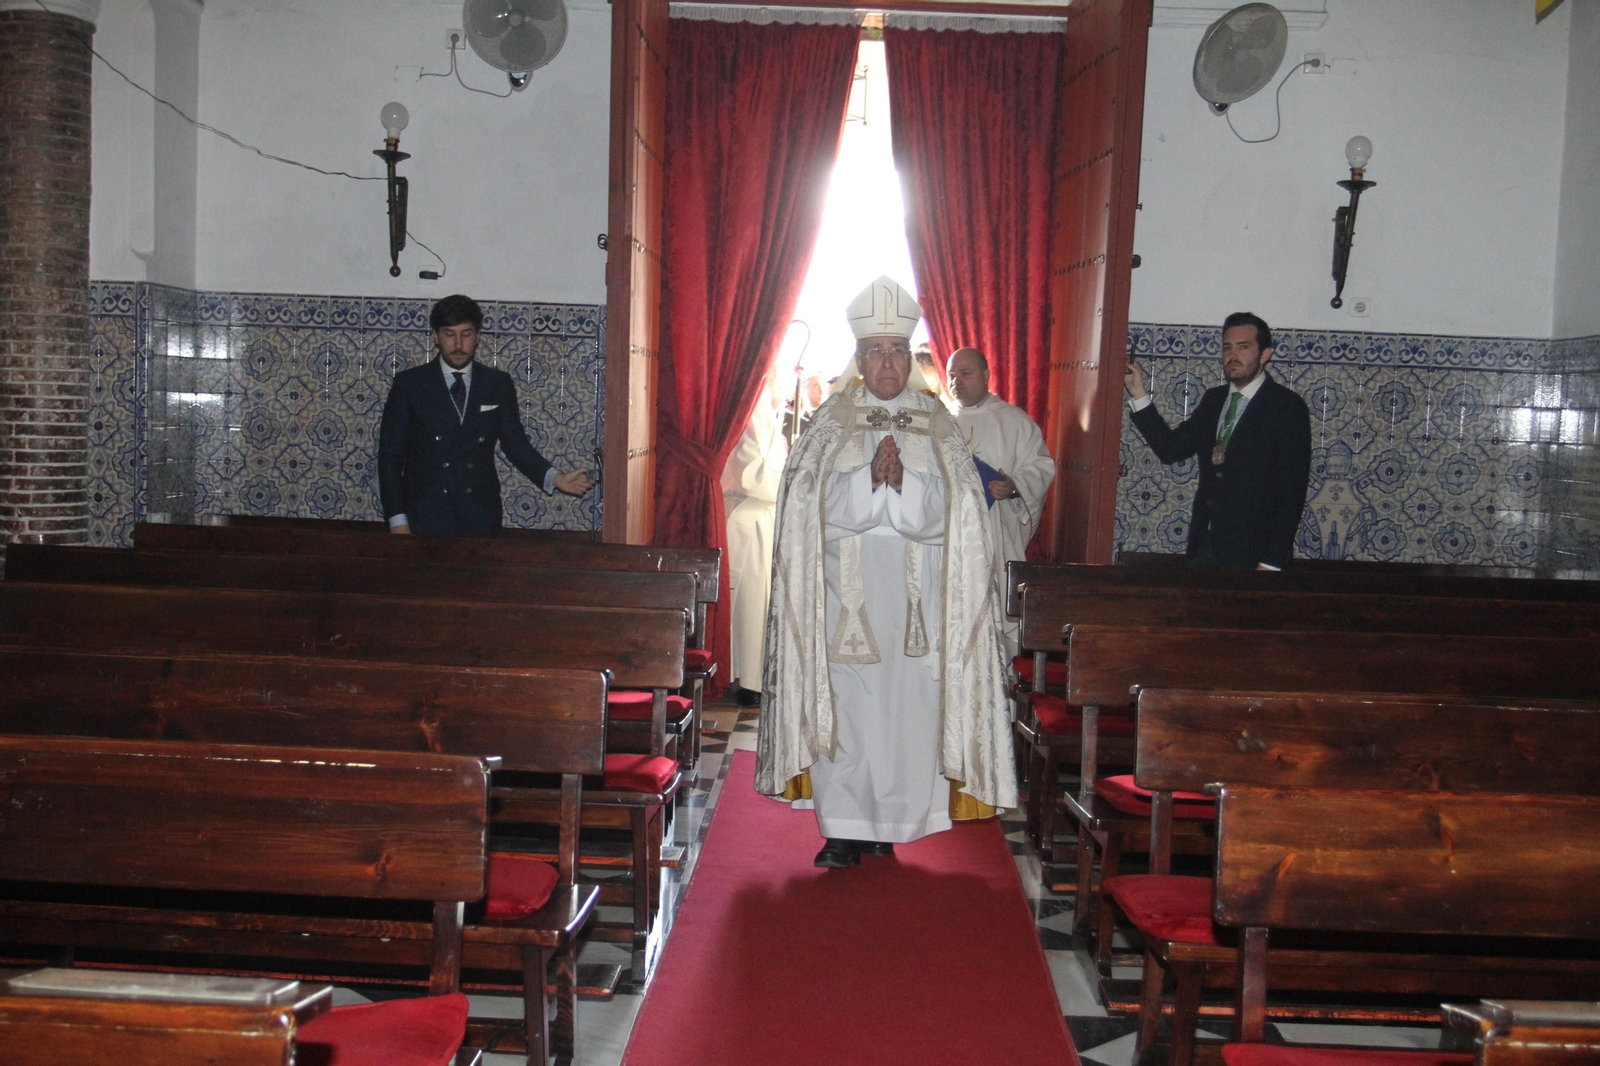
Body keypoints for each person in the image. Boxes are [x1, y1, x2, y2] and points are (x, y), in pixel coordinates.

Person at [757, 276, 1015, 869]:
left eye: (897, 349)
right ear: (859, 358)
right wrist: (867, 480)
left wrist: (903, 484)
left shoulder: (939, 424)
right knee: (847, 706)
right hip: (841, 600)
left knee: (906, 710)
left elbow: (963, 513)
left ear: (909, 357)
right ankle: (845, 827)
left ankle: (894, 823)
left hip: (917, 604)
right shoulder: (828, 423)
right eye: (875, 351)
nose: (888, 362)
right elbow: (803, 507)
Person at [379, 294, 594, 536]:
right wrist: (397, 520)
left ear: (478, 336)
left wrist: (556, 478)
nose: (458, 343)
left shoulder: (497, 384)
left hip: (479, 515)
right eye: (449, 334)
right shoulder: (410, 384)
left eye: (466, 333)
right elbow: (390, 458)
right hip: (425, 516)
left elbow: (516, 445)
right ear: (436, 337)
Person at [1123, 311, 1311, 570]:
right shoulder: (1214, 401)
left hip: (1254, 554)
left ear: (1265, 354)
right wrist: (1138, 393)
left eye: (1243, 347)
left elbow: (1292, 491)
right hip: (1205, 547)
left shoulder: (1286, 407)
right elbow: (1171, 449)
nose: (1232, 355)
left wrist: (1271, 562)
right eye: (1227, 347)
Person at [948, 347, 1056, 658]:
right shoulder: (941, 425)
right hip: (951, 540)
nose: (957, 381)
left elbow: (1042, 466)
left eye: (965, 373)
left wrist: (1013, 486)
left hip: (996, 539)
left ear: (985, 376)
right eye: (952, 375)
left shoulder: (1014, 422)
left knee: (994, 632)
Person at [722, 370, 788, 707]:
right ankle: (747, 681)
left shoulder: (765, 406)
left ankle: (751, 677)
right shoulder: (754, 407)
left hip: (762, 515)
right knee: (750, 604)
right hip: (750, 516)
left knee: (757, 605)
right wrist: (795, 476)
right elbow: (752, 473)